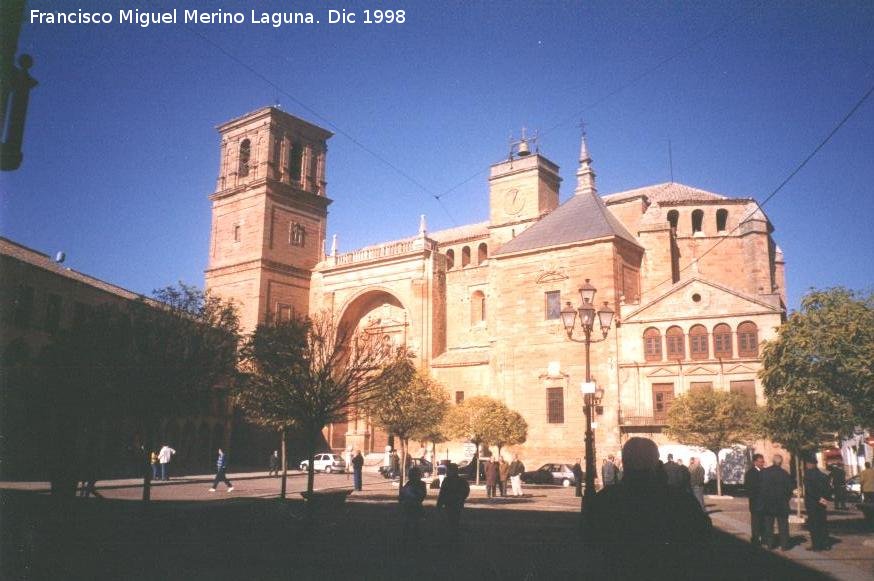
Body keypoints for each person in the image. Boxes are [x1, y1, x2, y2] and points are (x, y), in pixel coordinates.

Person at [580, 437, 712, 579]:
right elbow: (702, 536)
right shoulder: (680, 500)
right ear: (656, 463)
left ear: (624, 463)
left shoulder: (605, 499)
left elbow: (589, 538)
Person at [760, 454, 793, 550]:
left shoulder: (765, 473)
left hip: (768, 504)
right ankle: (784, 545)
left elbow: (762, 489)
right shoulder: (785, 474)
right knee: (783, 526)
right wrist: (786, 499)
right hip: (782, 504)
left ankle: (770, 544)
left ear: (772, 461)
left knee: (769, 526)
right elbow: (789, 490)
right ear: (781, 462)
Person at [804, 458, 831, 551]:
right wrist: (824, 498)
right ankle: (826, 544)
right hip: (822, 503)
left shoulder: (808, 475)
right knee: (822, 523)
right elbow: (829, 489)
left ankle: (816, 545)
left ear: (810, 464)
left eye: (807, 464)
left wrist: (818, 498)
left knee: (814, 525)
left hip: (812, 503)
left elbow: (809, 490)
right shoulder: (823, 475)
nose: (806, 466)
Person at [436, 463, 470, 537]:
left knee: (451, 519)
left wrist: (439, 504)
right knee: (454, 519)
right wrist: (461, 498)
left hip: (450, 503)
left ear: (452, 471)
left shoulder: (448, 480)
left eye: (448, 471)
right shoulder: (461, 481)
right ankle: (454, 532)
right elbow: (466, 491)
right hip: (456, 503)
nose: (446, 472)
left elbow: (442, 493)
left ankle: (452, 533)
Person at [399, 466, 427, 547]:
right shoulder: (409, 483)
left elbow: (422, 495)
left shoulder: (420, 484)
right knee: (408, 523)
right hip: (409, 506)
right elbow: (403, 494)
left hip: (415, 505)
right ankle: (407, 539)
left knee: (414, 523)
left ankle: (413, 538)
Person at [744, 453, 766, 546]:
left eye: (763, 462)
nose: (762, 463)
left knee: (764, 522)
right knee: (756, 522)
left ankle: (764, 538)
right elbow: (748, 487)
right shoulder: (750, 473)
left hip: (765, 502)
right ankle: (756, 539)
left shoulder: (766, 472)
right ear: (755, 462)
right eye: (760, 462)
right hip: (755, 502)